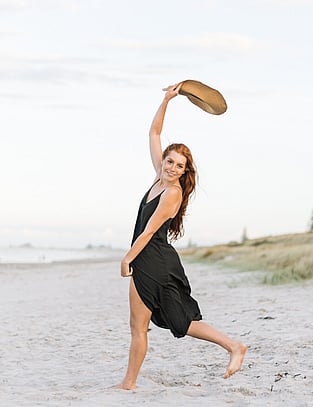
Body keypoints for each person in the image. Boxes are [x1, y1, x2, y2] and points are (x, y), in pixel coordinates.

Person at [116, 84, 247, 390]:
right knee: (143, 327)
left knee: (172, 323)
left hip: (154, 262)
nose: (173, 168)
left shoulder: (172, 192)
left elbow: (149, 231)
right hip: (149, 259)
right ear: (163, 160)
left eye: (179, 165)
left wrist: (126, 258)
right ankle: (129, 383)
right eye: (170, 161)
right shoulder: (157, 180)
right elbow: (153, 134)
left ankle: (233, 346)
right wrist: (166, 100)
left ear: (185, 170)